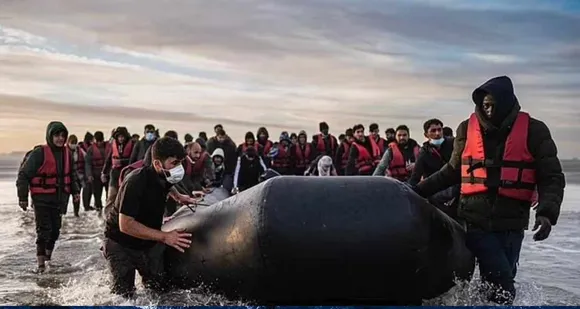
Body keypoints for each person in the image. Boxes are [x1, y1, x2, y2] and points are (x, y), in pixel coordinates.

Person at [412, 76, 565, 305]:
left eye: (494, 105)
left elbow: (551, 176)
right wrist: (415, 191)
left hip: (513, 221)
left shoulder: (535, 131)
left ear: (507, 102)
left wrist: (547, 213)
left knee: (501, 277)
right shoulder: (466, 128)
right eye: (485, 105)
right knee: (502, 283)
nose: (490, 110)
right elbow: (452, 171)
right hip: (475, 220)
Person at [103, 137, 194, 298]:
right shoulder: (135, 182)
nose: (179, 167)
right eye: (174, 163)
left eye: (180, 162)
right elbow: (126, 225)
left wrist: (179, 196)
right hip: (121, 242)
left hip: (147, 240)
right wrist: (165, 236)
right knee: (125, 296)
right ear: (157, 164)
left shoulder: (165, 175)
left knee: (160, 290)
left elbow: (167, 184)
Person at [16, 121, 80, 272]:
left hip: (59, 199)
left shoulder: (67, 154)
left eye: (63, 136)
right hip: (41, 200)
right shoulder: (39, 154)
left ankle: (48, 259)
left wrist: (75, 191)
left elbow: (72, 175)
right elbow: (23, 176)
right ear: (50, 136)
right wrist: (23, 197)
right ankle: (40, 265)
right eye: (57, 135)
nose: (60, 139)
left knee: (55, 231)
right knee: (44, 230)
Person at [102, 127, 134, 216]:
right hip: (114, 174)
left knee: (124, 197)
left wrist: (122, 161)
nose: (121, 139)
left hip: (126, 174)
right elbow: (109, 159)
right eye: (119, 137)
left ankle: (122, 217)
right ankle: (107, 216)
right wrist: (104, 172)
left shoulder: (132, 145)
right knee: (111, 196)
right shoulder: (113, 145)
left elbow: (133, 160)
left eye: (123, 137)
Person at [85, 131, 108, 214]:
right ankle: (99, 209)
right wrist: (89, 175)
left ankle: (108, 211)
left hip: (106, 175)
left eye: (100, 141)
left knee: (109, 194)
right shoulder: (90, 149)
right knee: (97, 195)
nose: (99, 143)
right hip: (96, 175)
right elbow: (88, 163)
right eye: (97, 141)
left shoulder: (108, 147)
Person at [67, 134, 87, 216]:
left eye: (75, 143)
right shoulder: (63, 151)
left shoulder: (81, 151)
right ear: (68, 142)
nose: (73, 144)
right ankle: (62, 212)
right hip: (67, 177)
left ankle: (76, 212)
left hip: (79, 177)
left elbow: (86, 162)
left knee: (77, 196)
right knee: (65, 196)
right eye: (72, 142)